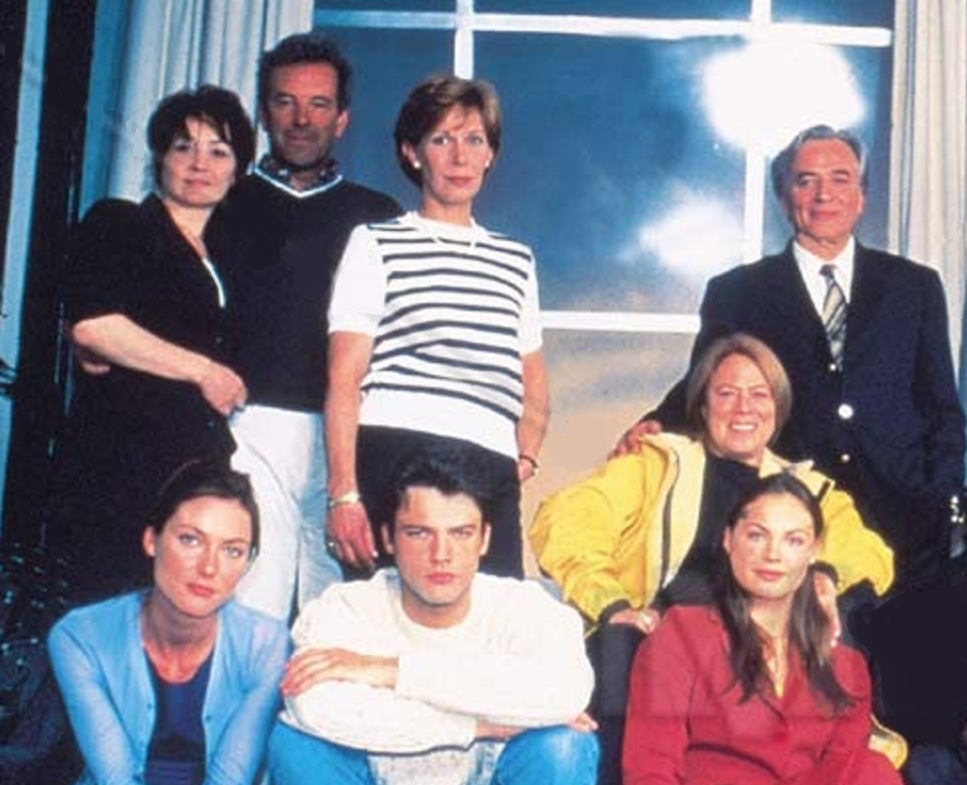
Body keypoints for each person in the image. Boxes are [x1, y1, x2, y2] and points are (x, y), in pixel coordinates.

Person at [614, 125, 965, 593]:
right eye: (806, 180)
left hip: (907, 520)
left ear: (861, 196)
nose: (824, 194)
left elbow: (941, 404)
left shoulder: (914, 286)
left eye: (840, 179)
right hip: (791, 513)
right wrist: (658, 422)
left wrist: (940, 490)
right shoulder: (737, 291)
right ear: (784, 197)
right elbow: (704, 384)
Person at [530, 333, 893, 785]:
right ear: (702, 405)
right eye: (727, 393)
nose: (744, 408)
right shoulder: (654, 465)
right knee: (622, 645)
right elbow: (565, 518)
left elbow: (871, 551)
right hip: (668, 640)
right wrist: (611, 602)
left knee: (840, 654)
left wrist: (825, 573)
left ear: (778, 407)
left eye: (759, 394)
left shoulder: (807, 488)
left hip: (765, 647)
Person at [325, 75, 549, 580]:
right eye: (442, 139)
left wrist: (524, 457)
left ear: (490, 155)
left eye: (474, 140)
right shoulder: (374, 242)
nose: (460, 156)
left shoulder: (515, 260)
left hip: (489, 462)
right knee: (388, 613)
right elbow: (344, 378)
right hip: (394, 451)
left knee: (493, 616)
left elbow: (534, 384)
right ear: (412, 153)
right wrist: (344, 494)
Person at [267, 444, 598, 785]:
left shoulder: (526, 607)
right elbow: (314, 705)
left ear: (484, 539)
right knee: (296, 743)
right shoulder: (344, 608)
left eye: (461, 533)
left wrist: (393, 671)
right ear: (389, 539)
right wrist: (476, 726)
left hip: (493, 776)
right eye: (419, 533)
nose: (441, 554)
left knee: (563, 744)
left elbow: (567, 693)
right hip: (373, 777)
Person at [210, 32, 402, 620]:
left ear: (341, 119)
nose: (301, 119)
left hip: (347, 437)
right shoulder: (223, 203)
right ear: (264, 113)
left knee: (336, 611)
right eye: (285, 102)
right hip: (247, 427)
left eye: (318, 104)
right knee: (250, 604)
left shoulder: (380, 218)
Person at [49, 86, 255, 601]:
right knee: (109, 612)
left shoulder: (228, 257)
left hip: (193, 473)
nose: (199, 163)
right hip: (120, 465)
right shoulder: (122, 223)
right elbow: (94, 327)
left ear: (238, 172)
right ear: (160, 157)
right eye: (183, 147)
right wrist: (204, 371)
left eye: (218, 152)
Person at [623, 473, 901, 785]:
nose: (773, 554)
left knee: (873, 769)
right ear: (729, 540)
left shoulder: (847, 668)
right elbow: (651, 767)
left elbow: (842, 773)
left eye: (794, 540)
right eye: (757, 535)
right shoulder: (682, 633)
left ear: (814, 551)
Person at [48, 461, 290, 785]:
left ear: (248, 563)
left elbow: (230, 780)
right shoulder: (80, 637)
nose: (209, 568)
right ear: (152, 540)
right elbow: (115, 779)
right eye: (191, 540)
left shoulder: (268, 645)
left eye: (232, 551)